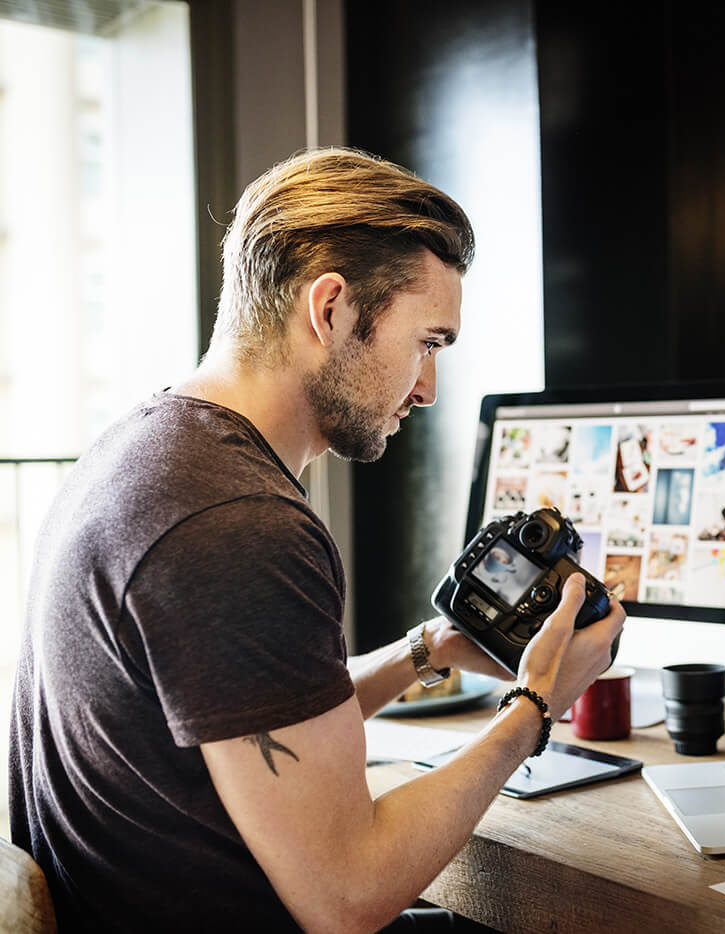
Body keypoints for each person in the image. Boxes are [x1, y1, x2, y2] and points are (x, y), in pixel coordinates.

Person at [7, 147, 627, 933]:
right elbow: (348, 896)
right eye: (427, 343)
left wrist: (425, 652)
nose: (428, 389)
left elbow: (248, 716)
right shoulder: (238, 526)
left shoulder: (148, 449)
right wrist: (535, 705)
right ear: (330, 309)